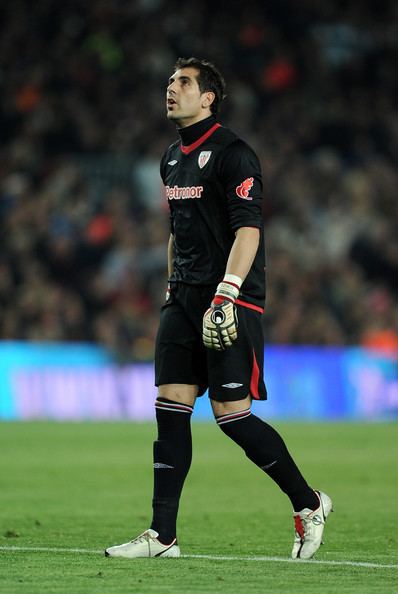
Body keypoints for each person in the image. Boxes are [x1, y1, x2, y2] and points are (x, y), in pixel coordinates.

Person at [105, 57, 332, 560]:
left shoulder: (234, 154)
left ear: (208, 97)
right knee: (170, 410)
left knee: (232, 416)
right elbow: (177, 231)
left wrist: (228, 291)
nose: (171, 89)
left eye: (182, 82)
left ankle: (309, 502)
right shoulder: (171, 157)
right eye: (168, 81)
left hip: (229, 299)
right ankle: (163, 536)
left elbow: (249, 228)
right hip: (182, 298)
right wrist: (172, 288)